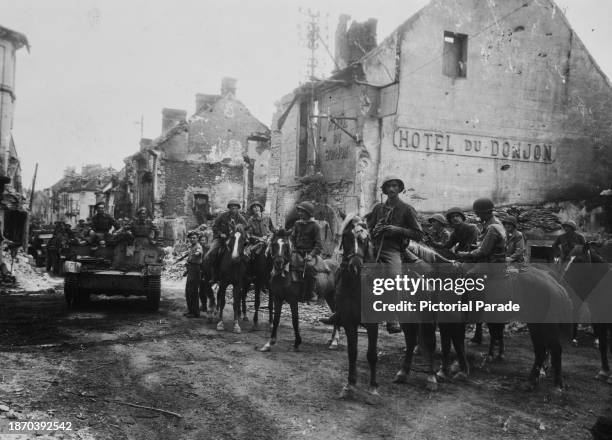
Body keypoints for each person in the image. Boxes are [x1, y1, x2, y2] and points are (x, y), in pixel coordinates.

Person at [322, 176, 423, 333]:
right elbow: (368, 227)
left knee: (393, 276)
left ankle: (392, 317)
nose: (391, 189)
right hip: (372, 246)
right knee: (345, 267)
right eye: (388, 186)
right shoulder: (378, 208)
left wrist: (397, 230)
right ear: (384, 190)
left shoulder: (407, 209)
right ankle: (340, 310)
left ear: (399, 188)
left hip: (392, 249)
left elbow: (418, 234)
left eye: (394, 186)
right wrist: (372, 230)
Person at [456, 198, 507, 351]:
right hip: (490, 261)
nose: (478, 216)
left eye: (479, 213)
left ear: (486, 212)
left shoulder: (492, 227)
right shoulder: (493, 224)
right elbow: (483, 245)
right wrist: (474, 247)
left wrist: (465, 253)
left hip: (491, 265)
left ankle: (469, 312)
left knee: (467, 276)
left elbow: (483, 251)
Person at [205, 200, 247, 282]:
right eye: (232, 206)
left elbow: (246, 227)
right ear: (229, 208)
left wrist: (242, 232)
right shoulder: (222, 216)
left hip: (234, 239)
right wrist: (220, 234)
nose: (234, 207)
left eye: (236, 206)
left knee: (247, 254)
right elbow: (214, 226)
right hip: (221, 239)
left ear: (238, 208)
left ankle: (245, 275)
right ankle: (213, 274)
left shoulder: (241, 218)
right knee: (211, 253)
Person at [289, 201, 322, 302]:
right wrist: (293, 248)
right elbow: (292, 237)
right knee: (287, 265)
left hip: (309, 253)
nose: (300, 214)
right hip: (297, 252)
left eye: (302, 212)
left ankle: (311, 292)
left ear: (308, 213)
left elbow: (318, 245)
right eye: (299, 211)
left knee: (310, 268)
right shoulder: (297, 224)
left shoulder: (315, 226)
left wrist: (311, 255)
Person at [184, 231, 203, 318]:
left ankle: (195, 313)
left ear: (197, 238)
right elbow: (189, 260)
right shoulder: (191, 247)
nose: (192, 239)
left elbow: (199, 252)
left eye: (194, 238)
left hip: (195, 269)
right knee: (188, 291)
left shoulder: (198, 246)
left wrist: (196, 253)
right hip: (191, 269)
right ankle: (191, 311)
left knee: (193, 291)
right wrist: (187, 270)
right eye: (191, 238)